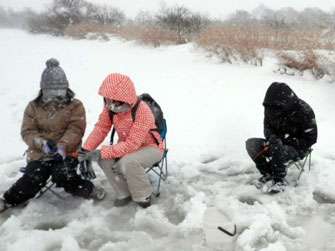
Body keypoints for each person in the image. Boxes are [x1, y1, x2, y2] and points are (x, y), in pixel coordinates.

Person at [0, 58, 105, 213]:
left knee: (62, 174)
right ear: (43, 89)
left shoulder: (75, 106)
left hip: (68, 151)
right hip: (39, 153)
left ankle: (88, 190)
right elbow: (27, 131)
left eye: (59, 91)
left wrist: (62, 146)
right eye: (51, 91)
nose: (55, 95)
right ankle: (7, 200)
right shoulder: (33, 107)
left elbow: (76, 130)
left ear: (66, 88)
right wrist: (41, 144)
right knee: (33, 177)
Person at [79, 73, 164, 208]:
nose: (110, 105)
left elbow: (132, 144)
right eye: (107, 100)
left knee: (128, 162)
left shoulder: (142, 111)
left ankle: (143, 195)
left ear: (125, 99)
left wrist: (101, 152)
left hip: (151, 147)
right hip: (126, 147)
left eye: (114, 101)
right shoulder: (110, 109)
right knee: (104, 159)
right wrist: (85, 151)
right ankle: (124, 192)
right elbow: (101, 128)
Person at [246, 82, 317, 193]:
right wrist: (271, 137)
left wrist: (285, 142)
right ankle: (267, 173)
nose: (272, 111)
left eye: (276, 108)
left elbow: (311, 138)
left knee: (276, 148)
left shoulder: (304, 111)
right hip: (275, 143)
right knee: (251, 144)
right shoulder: (271, 108)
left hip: (297, 147)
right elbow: (267, 126)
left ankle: (279, 179)